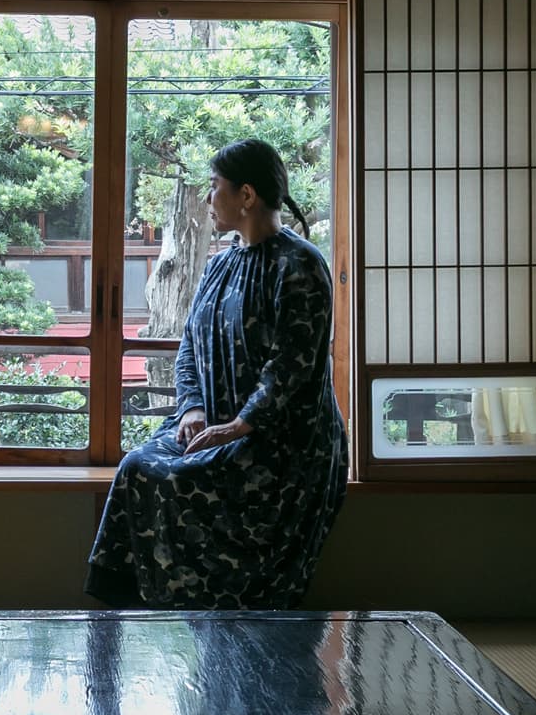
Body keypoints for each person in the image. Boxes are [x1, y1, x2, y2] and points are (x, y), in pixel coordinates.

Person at [85, 138, 347, 609]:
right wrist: (192, 407)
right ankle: (132, 613)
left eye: (214, 187)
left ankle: (219, 620)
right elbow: (189, 347)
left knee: (181, 480)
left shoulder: (300, 265)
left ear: (246, 195)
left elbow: (291, 366)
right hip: (217, 422)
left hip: (280, 442)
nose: (208, 199)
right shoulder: (220, 265)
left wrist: (241, 424)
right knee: (137, 467)